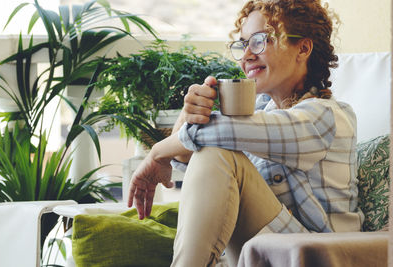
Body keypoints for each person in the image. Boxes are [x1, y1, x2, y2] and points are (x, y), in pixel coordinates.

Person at [128, 0, 363, 266]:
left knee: (218, 152)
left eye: (260, 41)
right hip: (263, 251)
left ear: (303, 48)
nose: (246, 55)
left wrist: (157, 153)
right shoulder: (259, 112)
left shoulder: (326, 116)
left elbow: (218, 137)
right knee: (216, 152)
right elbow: (205, 167)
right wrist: (189, 112)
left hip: (318, 255)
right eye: (242, 44)